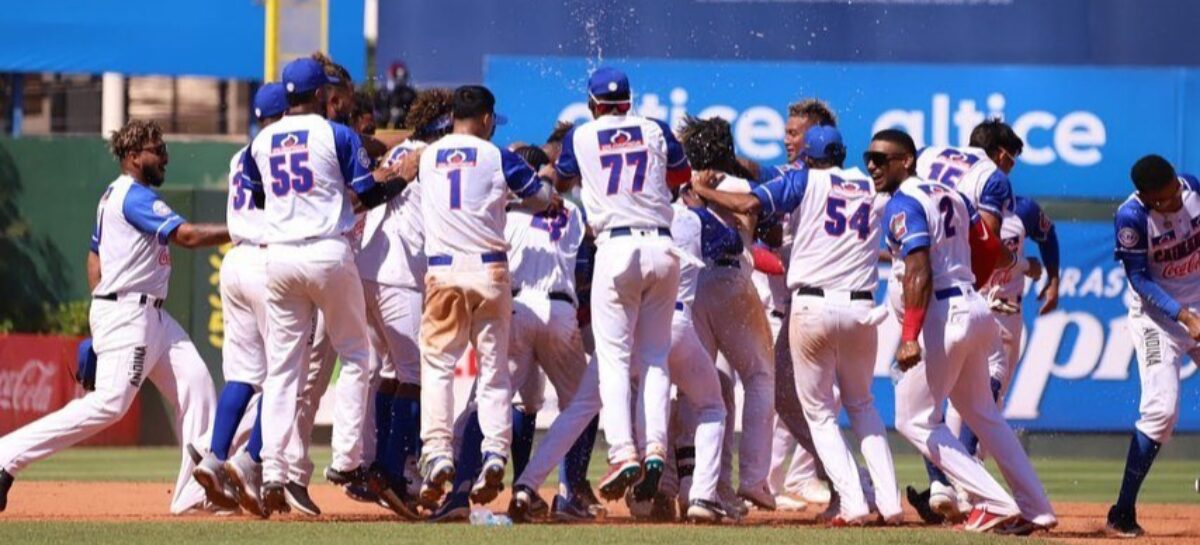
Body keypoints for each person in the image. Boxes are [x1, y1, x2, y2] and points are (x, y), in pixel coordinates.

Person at [0, 120, 228, 515]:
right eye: (157, 149)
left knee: (197, 386)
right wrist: (241, 231)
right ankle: (5, 456)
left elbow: (94, 256)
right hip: (131, 313)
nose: (165, 156)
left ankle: (193, 493)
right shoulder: (133, 196)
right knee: (109, 404)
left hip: (147, 314)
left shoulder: (113, 196)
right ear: (134, 155)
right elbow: (188, 237)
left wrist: (102, 312)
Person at [692, 125, 902, 525]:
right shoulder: (870, 187)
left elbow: (751, 204)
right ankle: (889, 504)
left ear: (808, 157)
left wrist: (704, 193)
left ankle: (854, 503)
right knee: (863, 407)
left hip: (813, 307)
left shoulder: (805, 180)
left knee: (819, 414)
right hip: (861, 309)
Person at [239, 57, 407, 516]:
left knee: (282, 370)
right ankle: (346, 460)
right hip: (326, 252)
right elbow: (367, 193)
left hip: (279, 257)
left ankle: (273, 469)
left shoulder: (260, 142)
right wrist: (397, 180)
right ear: (318, 95)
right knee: (356, 355)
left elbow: (258, 196)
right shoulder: (336, 134)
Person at [877, 129, 1057, 535]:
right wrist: (969, 293)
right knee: (983, 414)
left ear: (908, 160)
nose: (872, 165)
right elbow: (990, 248)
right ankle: (1037, 508)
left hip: (942, 310)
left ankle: (993, 502)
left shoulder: (904, 202)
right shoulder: (953, 193)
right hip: (975, 307)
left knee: (914, 420)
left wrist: (909, 336)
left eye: (880, 158)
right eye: (870, 157)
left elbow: (919, 270)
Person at [540, 66, 691, 501]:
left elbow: (563, 178)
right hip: (662, 247)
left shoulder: (582, 136)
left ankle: (624, 450)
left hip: (616, 247)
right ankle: (656, 447)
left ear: (592, 105)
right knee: (656, 358)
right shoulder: (656, 127)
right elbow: (680, 180)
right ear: (629, 101)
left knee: (613, 358)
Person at [411, 85, 559, 510]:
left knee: (438, 365)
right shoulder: (498, 156)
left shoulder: (427, 156)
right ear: (488, 119)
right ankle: (495, 453)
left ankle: (439, 451)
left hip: (442, 270)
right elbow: (543, 197)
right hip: (491, 269)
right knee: (494, 369)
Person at [192, 83, 290, 517]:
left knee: (242, 376)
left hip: (234, 261)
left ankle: (214, 457)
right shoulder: (282, 149)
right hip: (268, 262)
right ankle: (247, 460)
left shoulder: (241, 154)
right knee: (284, 375)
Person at [675, 116, 776, 511]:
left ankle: (698, 486)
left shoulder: (679, 188)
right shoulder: (737, 186)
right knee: (759, 376)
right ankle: (752, 479)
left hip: (692, 289)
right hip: (731, 283)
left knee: (704, 387)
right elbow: (755, 221)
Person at [1106, 155, 1200, 538]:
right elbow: (1139, 280)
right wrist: (1185, 317)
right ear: (1147, 197)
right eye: (1165, 200)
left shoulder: (1191, 188)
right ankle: (1122, 511)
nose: (1175, 202)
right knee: (1161, 411)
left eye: (1175, 192)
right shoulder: (1130, 217)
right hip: (1157, 318)